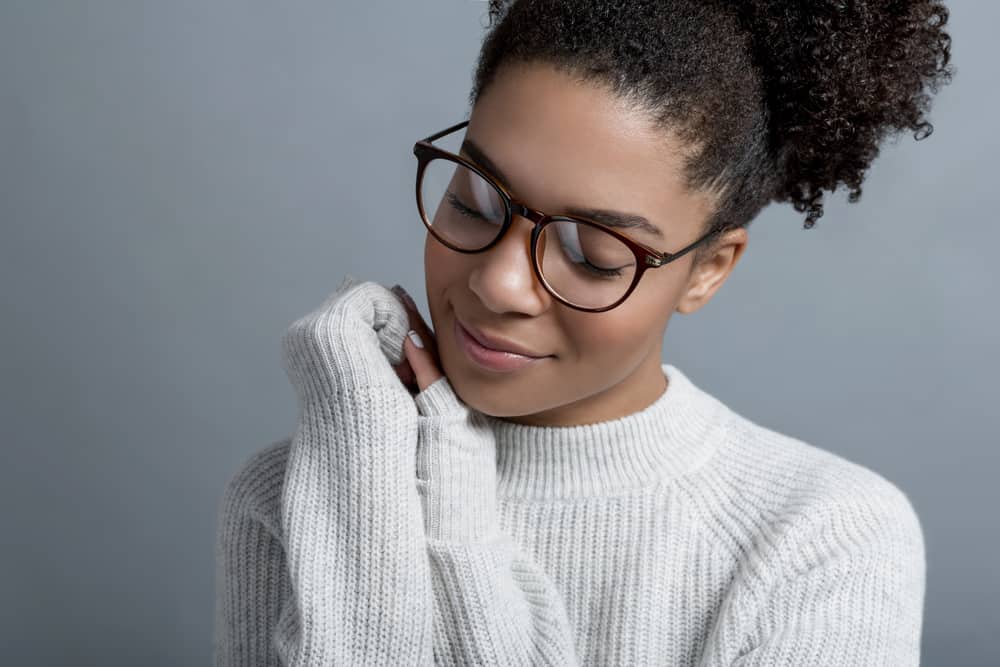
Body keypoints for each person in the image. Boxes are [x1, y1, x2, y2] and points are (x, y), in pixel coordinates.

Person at [213, 1, 953, 664]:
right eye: (474, 200)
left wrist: (457, 519)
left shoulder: (822, 539)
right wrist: (370, 463)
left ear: (707, 269)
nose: (499, 283)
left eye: (592, 253)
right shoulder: (297, 495)